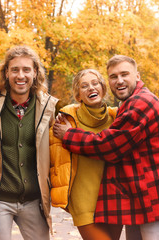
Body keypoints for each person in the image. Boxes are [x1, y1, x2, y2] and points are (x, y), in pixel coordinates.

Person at [53, 55, 159, 240]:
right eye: (113, 76)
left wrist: (68, 135)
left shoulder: (141, 104)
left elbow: (109, 146)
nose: (119, 80)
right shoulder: (125, 105)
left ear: (137, 76)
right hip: (140, 200)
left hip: (155, 200)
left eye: (124, 74)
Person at [0, 45, 59, 240]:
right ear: (6, 73)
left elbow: (58, 148)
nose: (21, 75)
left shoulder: (49, 106)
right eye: (15, 70)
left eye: (26, 69)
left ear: (35, 73)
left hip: (34, 199)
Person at [50, 69, 123, 240]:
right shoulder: (67, 118)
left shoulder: (116, 117)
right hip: (83, 198)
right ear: (78, 95)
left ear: (103, 89)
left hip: (113, 197)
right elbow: (55, 158)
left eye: (95, 83)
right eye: (84, 86)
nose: (91, 88)